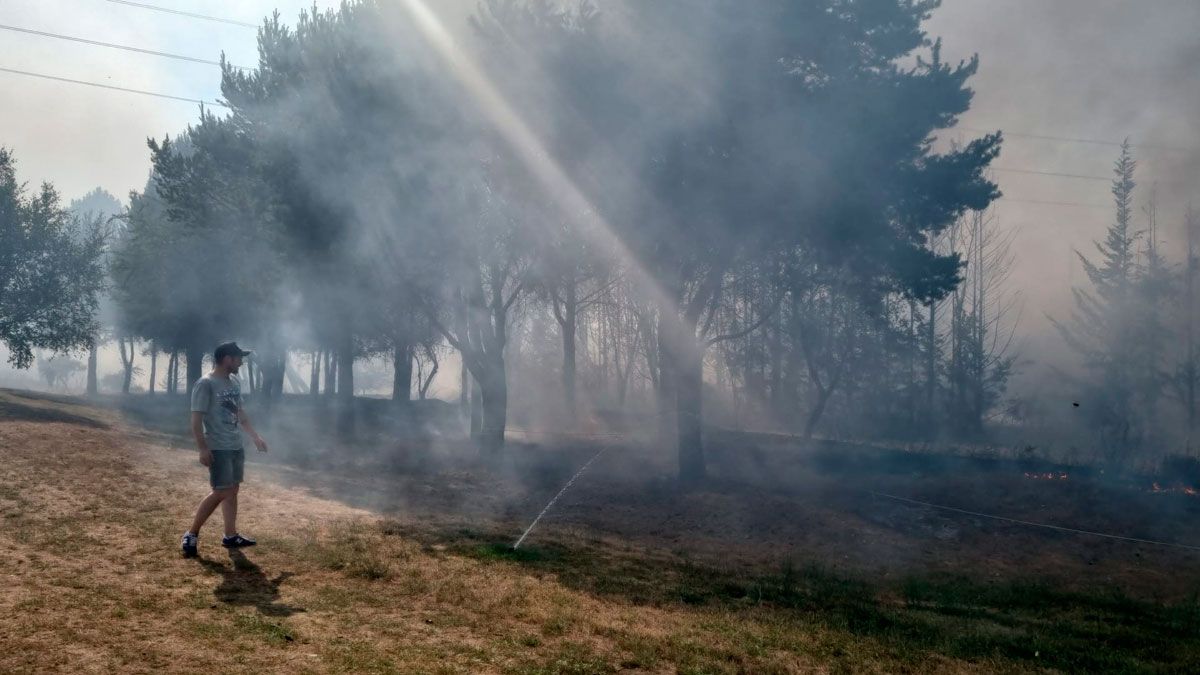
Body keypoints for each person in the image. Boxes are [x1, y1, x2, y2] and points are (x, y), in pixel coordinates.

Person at [181, 341, 269, 558]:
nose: (241, 362)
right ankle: (191, 534)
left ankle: (230, 535)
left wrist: (255, 437)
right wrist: (203, 448)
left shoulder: (234, 382)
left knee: (233, 490)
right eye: (239, 358)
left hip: (235, 445)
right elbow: (195, 419)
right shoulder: (205, 384)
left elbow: (240, 413)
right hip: (218, 447)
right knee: (222, 491)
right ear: (227, 359)